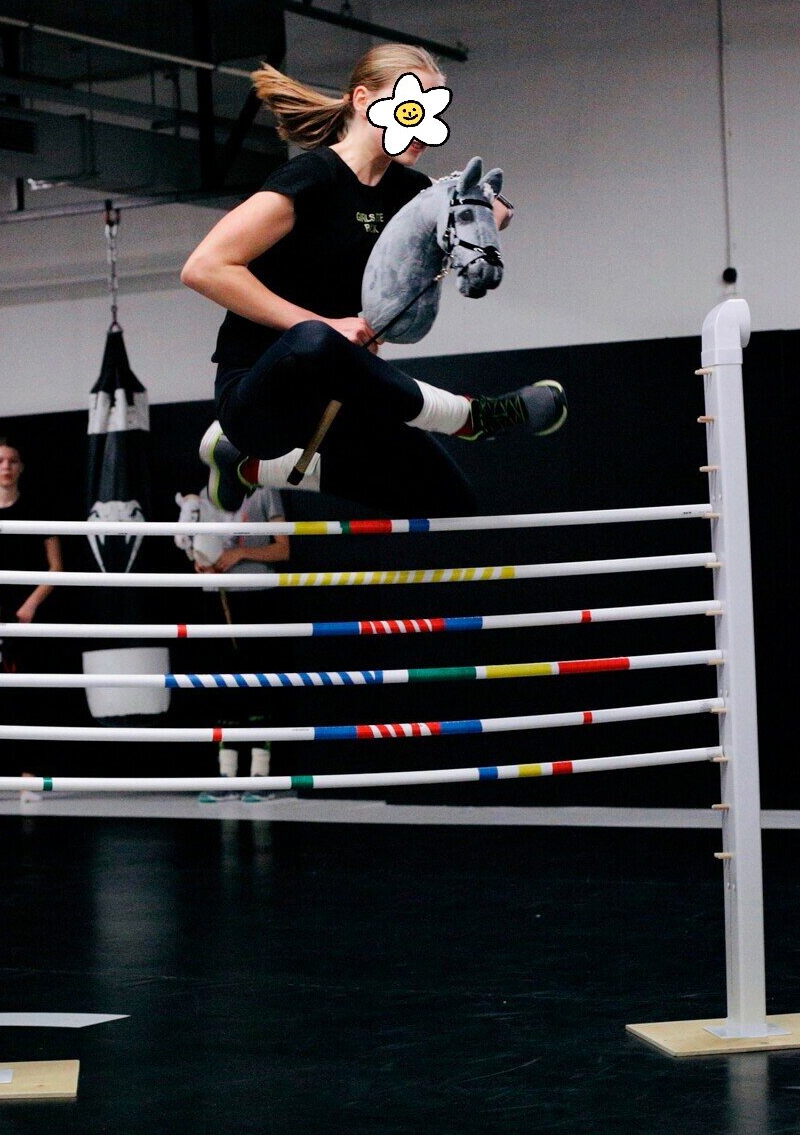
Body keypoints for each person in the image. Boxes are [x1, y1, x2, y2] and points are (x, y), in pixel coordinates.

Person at [179, 42, 567, 520]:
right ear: (364, 100)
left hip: (341, 398)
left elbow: (467, 207)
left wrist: (490, 209)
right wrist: (326, 323)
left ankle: (247, 466)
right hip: (262, 396)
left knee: (453, 507)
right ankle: (473, 417)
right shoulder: (313, 176)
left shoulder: (409, 192)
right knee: (315, 340)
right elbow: (205, 267)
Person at [175, 484, 292, 803]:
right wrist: (202, 562)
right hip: (217, 596)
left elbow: (283, 548)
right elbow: (198, 546)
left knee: (259, 685)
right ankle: (226, 774)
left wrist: (239, 553)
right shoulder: (205, 492)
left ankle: (260, 775)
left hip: (257, 595)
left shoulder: (264, 491)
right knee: (222, 687)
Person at [0, 435, 63, 782]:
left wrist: (30, 606)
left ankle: (30, 770)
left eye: (12, 460)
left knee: (29, 692)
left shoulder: (38, 508)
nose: (6, 467)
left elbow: (56, 567)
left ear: (21, 467)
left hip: (29, 613)